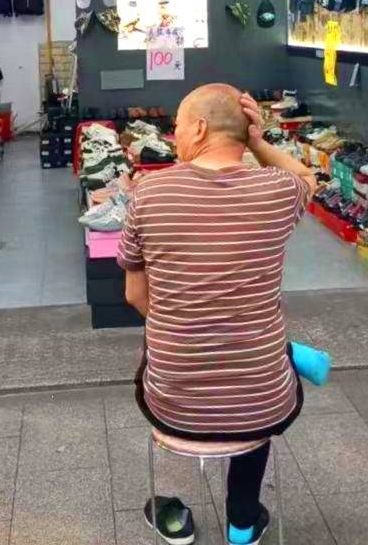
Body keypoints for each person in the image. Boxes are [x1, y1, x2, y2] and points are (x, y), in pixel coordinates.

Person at [119, 84, 315, 545]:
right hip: (263, 402)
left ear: (200, 128)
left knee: (177, 365)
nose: (173, 137)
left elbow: (134, 296)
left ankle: (173, 516)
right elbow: (307, 176)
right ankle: (242, 522)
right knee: (255, 381)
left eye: (178, 126)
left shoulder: (149, 193)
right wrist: (259, 144)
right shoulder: (277, 190)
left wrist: (184, 325)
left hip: (173, 404)